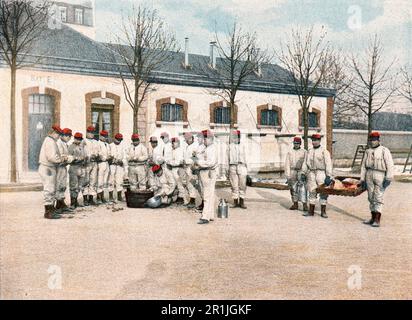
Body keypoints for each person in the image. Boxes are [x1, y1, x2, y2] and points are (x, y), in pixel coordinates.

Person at [359, 131, 394, 227]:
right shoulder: (368, 151)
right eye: (371, 140)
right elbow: (363, 166)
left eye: (375, 140)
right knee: (370, 197)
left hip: (380, 174)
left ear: (378, 140)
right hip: (369, 173)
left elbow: (390, 165)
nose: (373, 142)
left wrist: (388, 177)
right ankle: (372, 217)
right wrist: (362, 179)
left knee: (378, 196)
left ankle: (377, 220)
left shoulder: (384, 150)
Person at [301, 133, 333, 218]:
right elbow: (305, 163)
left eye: (316, 140)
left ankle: (323, 211)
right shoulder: (309, 151)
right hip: (311, 173)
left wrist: (328, 176)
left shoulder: (324, 151)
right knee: (312, 191)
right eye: (313, 140)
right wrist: (303, 173)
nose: (314, 142)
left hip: (321, 173)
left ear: (319, 141)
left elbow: (328, 164)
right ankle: (311, 211)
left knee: (323, 192)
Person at [38, 125, 65, 219]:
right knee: (49, 189)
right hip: (47, 168)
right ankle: (48, 212)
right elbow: (52, 157)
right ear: (53, 133)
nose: (58, 136)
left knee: (51, 189)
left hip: (49, 167)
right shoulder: (50, 141)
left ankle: (51, 209)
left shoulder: (51, 141)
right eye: (58, 134)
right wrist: (62, 159)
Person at [195, 130, 218, 224]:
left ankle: (205, 217)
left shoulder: (212, 148)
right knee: (209, 194)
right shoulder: (207, 148)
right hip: (205, 172)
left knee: (207, 195)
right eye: (204, 138)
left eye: (205, 138)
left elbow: (210, 163)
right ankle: (211, 215)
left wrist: (199, 163)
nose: (204, 140)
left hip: (209, 172)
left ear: (210, 139)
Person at [285, 137, 308, 211]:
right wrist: (288, 175)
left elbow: (305, 162)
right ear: (293, 143)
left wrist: (304, 172)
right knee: (293, 188)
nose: (296, 145)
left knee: (303, 188)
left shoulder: (304, 152)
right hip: (293, 171)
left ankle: (304, 204)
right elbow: (287, 164)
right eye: (295, 143)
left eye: (298, 143)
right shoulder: (290, 152)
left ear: (300, 144)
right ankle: (295, 204)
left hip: (301, 171)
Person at [55, 128, 74, 213]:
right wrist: (70, 158)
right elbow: (61, 156)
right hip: (59, 167)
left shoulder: (64, 143)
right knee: (59, 185)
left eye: (69, 136)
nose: (69, 138)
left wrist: (69, 158)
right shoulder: (59, 143)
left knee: (63, 185)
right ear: (63, 135)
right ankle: (58, 204)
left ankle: (61, 203)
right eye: (68, 136)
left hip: (63, 167)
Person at [229, 130, 248, 209]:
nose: (235, 139)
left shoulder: (244, 146)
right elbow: (227, 157)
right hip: (232, 166)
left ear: (239, 137)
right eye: (234, 137)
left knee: (242, 185)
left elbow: (247, 158)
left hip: (242, 166)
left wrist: (248, 170)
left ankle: (242, 201)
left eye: (237, 137)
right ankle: (235, 201)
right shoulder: (230, 146)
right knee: (234, 185)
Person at [167, 137, 189, 205]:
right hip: (173, 169)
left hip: (178, 168)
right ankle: (179, 198)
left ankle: (184, 199)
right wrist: (170, 162)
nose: (172, 144)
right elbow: (168, 160)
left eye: (174, 142)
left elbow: (178, 162)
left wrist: (170, 162)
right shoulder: (172, 150)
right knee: (174, 184)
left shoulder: (180, 150)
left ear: (178, 143)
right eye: (172, 142)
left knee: (180, 184)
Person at [68, 132, 86, 209]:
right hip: (74, 167)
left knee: (80, 185)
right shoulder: (71, 147)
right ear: (74, 138)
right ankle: (73, 202)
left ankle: (76, 201)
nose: (78, 141)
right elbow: (69, 159)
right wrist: (77, 159)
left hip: (81, 167)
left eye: (80, 139)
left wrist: (84, 160)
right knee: (73, 186)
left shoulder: (81, 147)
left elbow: (84, 156)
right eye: (77, 139)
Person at [182, 132, 200, 208]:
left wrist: (187, 161)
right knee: (188, 185)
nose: (186, 141)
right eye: (185, 140)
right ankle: (190, 200)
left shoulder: (195, 146)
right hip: (187, 167)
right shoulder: (187, 146)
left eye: (187, 139)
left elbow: (195, 158)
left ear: (191, 138)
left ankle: (193, 201)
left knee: (192, 184)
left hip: (192, 168)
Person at [108, 133, 127, 202]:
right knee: (111, 180)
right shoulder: (110, 146)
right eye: (117, 139)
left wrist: (122, 161)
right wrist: (112, 159)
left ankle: (119, 196)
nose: (118, 141)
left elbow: (125, 157)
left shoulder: (122, 147)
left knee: (119, 181)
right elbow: (108, 155)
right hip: (112, 165)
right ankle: (110, 196)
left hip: (119, 166)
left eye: (120, 140)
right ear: (114, 138)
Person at [83, 126, 99, 206]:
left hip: (94, 162)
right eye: (89, 132)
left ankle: (91, 198)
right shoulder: (83, 141)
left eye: (92, 132)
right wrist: (89, 156)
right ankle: (85, 198)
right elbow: (82, 152)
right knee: (86, 181)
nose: (91, 134)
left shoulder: (96, 142)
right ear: (86, 132)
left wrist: (96, 155)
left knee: (93, 180)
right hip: (87, 163)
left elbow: (98, 151)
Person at [192, 132, 206, 212]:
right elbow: (195, 159)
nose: (198, 139)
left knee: (204, 188)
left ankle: (205, 205)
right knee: (200, 188)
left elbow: (202, 160)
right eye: (197, 138)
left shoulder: (205, 147)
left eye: (199, 137)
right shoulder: (198, 147)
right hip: (198, 170)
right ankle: (202, 202)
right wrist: (193, 156)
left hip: (203, 169)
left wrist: (195, 158)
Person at [96, 130, 110, 204]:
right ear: (100, 136)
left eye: (106, 136)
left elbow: (109, 153)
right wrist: (105, 157)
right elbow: (99, 155)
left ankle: (103, 196)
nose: (105, 138)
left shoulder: (107, 144)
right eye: (103, 136)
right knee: (100, 181)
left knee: (105, 181)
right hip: (101, 163)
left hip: (106, 163)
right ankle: (99, 197)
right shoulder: (98, 144)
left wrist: (109, 157)